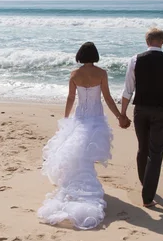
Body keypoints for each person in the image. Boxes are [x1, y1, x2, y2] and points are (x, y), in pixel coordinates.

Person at [38, 42, 130, 229]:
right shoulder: (101, 73)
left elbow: (71, 98)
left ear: (80, 55)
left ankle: (78, 185)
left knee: (78, 153)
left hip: (80, 118)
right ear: (95, 55)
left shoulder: (75, 74)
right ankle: (87, 188)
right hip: (96, 119)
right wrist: (119, 115)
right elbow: (107, 97)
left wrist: (66, 118)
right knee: (86, 154)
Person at [120, 28, 163, 208]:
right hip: (161, 110)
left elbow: (127, 90)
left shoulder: (135, 60)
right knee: (156, 153)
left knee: (143, 148)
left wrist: (122, 113)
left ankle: (145, 183)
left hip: (140, 109)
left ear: (147, 41)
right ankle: (147, 197)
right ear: (162, 42)